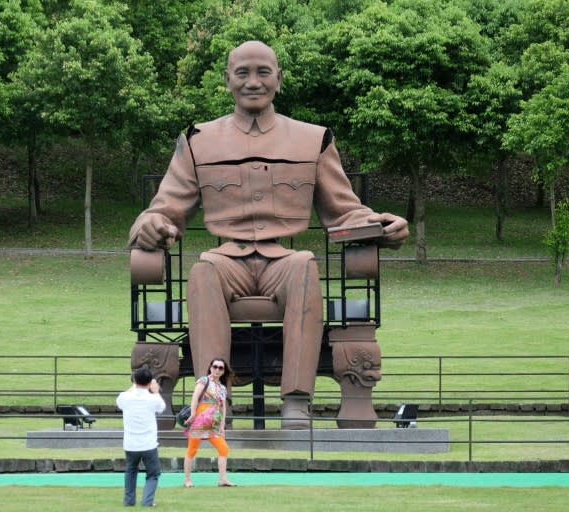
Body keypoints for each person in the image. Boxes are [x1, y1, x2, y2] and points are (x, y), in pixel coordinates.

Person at [128, 40, 410, 429]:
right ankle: (211, 401)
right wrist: (150, 225)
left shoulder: (313, 139)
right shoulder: (199, 140)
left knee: (304, 266)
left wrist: (381, 227)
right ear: (227, 80)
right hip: (227, 261)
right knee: (203, 269)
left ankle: (296, 400)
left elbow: (343, 210)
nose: (253, 82)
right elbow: (165, 208)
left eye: (263, 72)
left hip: (283, 262)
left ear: (279, 78)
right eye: (242, 73)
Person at [116, 367, 166, 507]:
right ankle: (147, 501)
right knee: (153, 474)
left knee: (131, 471)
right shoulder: (152, 399)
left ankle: (129, 500)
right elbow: (161, 407)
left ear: (134, 380)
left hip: (131, 443)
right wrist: (155, 391)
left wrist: (134, 386)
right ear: (150, 382)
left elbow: (120, 400)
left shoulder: (125, 397)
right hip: (148, 444)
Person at [183, 358, 235, 488]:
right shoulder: (203, 381)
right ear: (210, 367)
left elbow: (222, 407)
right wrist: (193, 414)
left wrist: (223, 424)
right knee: (192, 449)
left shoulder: (222, 388)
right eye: (215, 366)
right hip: (199, 421)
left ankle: (223, 479)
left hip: (214, 424)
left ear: (223, 371)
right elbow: (195, 397)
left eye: (220, 368)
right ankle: (187, 480)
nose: (217, 370)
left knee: (223, 448)